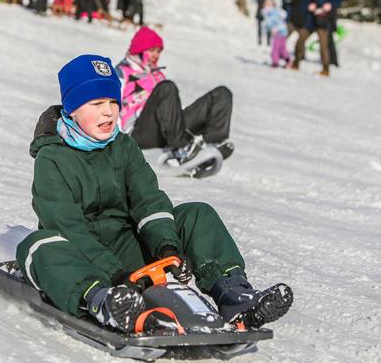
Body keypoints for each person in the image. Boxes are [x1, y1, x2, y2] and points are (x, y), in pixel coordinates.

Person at [15, 54, 293, 333]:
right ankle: (106, 303)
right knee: (37, 245)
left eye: (113, 102)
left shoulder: (123, 147)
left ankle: (236, 297)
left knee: (197, 214)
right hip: (82, 259)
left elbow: (148, 201)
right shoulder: (51, 159)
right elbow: (68, 228)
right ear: (72, 109)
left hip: (128, 249)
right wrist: (116, 274)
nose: (109, 112)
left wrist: (167, 248)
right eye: (97, 103)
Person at [115, 26, 234, 164]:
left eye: (158, 51)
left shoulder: (157, 75)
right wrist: (117, 144)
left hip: (167, 131)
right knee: (167, 88)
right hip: (138, 133)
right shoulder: (122, 72)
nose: (156, 55)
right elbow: (110, 107)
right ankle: (182, 148)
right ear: (139, 50)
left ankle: (213, 144)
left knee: (221, 94)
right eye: (151, 50)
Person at [292, 0, 341, 76]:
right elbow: (301, 6)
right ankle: (295, 63)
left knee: (324, 46)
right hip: (310, 22)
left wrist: (329, 6)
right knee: (300, 41)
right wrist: (308, 7)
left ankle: (326, 68)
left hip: (322, 23)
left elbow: (337, 0)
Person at [261, 0, 290, 68]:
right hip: (279, 32)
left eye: (269, 3)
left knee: (276, 47)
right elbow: (267, 23)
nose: (268, 5)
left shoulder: (274, 12)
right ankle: (287, 59)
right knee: (281, 48)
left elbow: (281, 19)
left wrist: (275, 29)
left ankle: (275, 62)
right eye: (266, 3)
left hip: (280, 32)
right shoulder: (266, 12)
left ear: (273, 4)